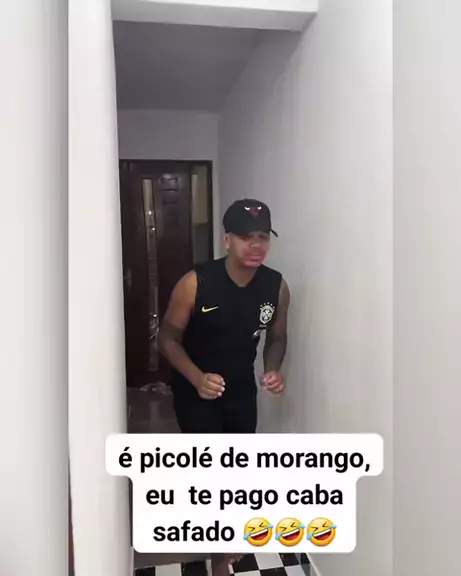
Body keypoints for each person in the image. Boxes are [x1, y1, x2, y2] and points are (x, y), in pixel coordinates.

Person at [158, 198, 290, 576]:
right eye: (246, 237)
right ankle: (219, 555)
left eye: (262, 237)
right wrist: (197, 377)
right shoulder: (195, 282)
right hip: (195, 390)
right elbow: (166, 339)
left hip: (240, 390)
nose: (256, 245)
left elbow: (278, 337)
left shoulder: (276, 286)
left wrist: (273, 369)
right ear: (227, 239)